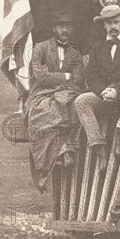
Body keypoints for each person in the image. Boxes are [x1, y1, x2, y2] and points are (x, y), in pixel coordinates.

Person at [75, 5, 120, 171]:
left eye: (116, 22)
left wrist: (116, 89)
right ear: (104, 26)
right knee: (81, 101)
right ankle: (99, 147)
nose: (113, 26)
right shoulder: (97, 48)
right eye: (109, 23)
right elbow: (91, 76)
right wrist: (103, 91)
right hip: (104, 96)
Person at [25, 10, 85, 192]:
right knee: (42, 114)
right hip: (40, 94)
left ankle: (66, 151)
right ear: (54, 28)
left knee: (72, 104)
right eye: (60, 25)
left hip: (66, 93)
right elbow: (41, 76)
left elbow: (78, 80)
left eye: (68, 25)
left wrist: (62, 83)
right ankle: (44, 166)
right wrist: (65, 75)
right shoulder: (40, 49)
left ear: (72, 28)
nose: (64, 29)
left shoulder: (75, 53)